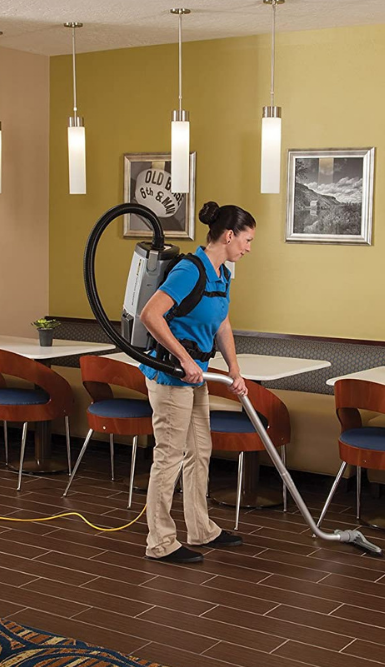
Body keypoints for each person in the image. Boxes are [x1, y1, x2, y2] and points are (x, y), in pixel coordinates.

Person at [138, 200, 255, 563]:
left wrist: (234, 370)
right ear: (229, 236)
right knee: (169, 456)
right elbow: (150, 315)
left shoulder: (222, 274)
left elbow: (222, 323)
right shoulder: (191, 270)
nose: (248, 248)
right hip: (172, 376)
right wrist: (186, 359)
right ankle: (160, 542)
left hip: (197, 377)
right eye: (247, 240)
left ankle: (200, 528)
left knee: (199, 451)